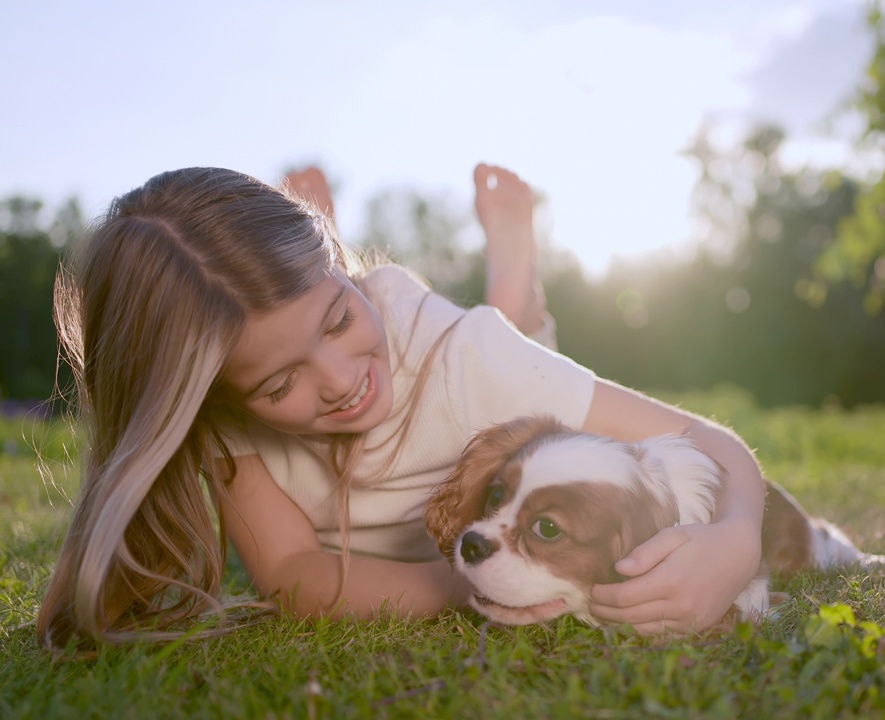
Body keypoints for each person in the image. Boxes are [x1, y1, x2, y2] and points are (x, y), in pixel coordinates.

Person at [37, 163, 765, 647]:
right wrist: (460, 581)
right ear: (212, 399)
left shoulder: (467, 359)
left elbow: (705, 441)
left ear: (340, 273)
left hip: (456, 358)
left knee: (497, 350)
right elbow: (294, 575)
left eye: (335, 318)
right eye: (279, 384)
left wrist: (736, 540)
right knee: (462, 362)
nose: (337, 380)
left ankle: (512, 278)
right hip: (435, 373)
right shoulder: (227, 420)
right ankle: (462, 293)